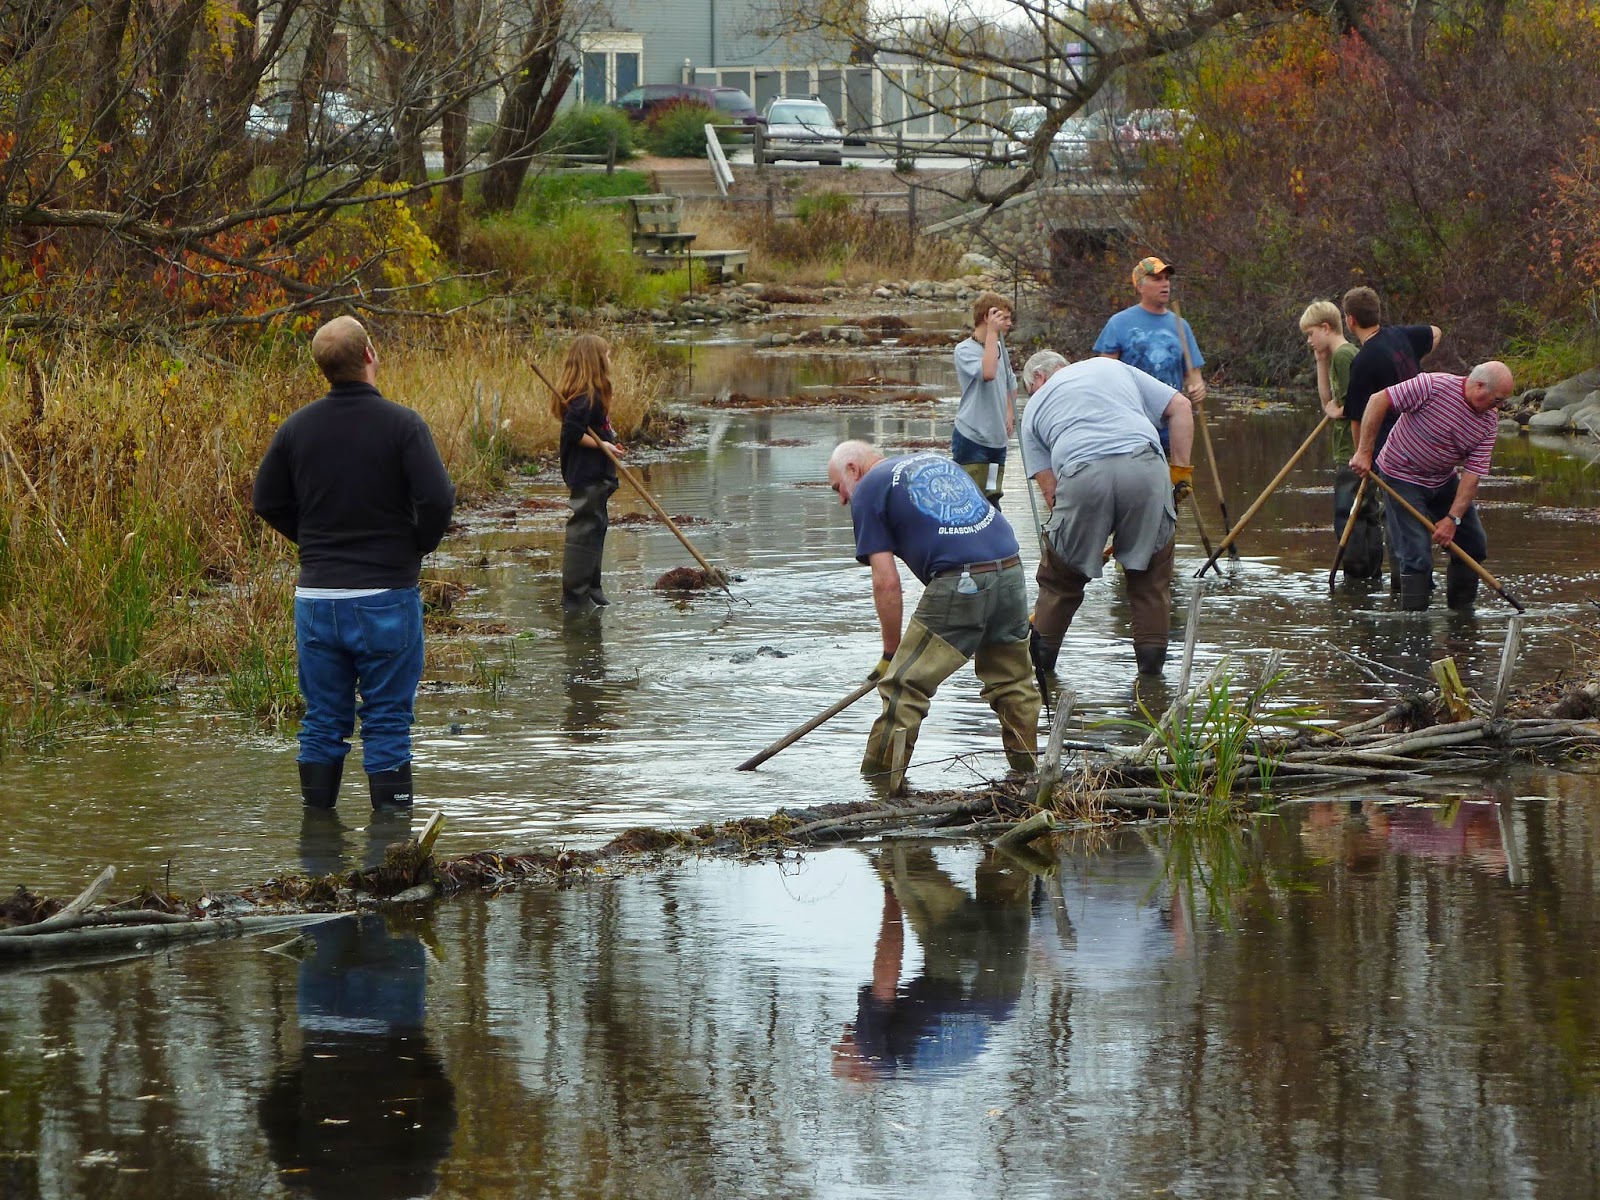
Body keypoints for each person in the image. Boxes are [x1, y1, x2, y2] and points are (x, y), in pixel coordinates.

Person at [253, 316, 456, 811]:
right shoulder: (403, 424)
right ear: (369, 355)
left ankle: (318, 849)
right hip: (385, 595)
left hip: (317, 599)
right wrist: (415, 549)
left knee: (323, 719)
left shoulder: (297, 427)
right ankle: (391, 848)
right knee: (387, 719)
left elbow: (265, 499)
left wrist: (311, 543)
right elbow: (438, 499)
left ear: (323, 369)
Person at [827, 441, 1040, 782]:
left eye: (837, 487)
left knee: (904, 686)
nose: (841, 499)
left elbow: (886, 583)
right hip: (1011, 568)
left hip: (964, 578)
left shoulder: (867, 488)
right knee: (1013, 682)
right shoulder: (931, 461)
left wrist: (890, 654)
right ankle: (1029, 776)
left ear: (853, 469)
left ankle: (878, 788)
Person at [1019, 351, 1194, 676]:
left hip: (1081, 472)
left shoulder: (1033, 409)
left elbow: (1052, 493)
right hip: (1145, 467)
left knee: (1060, 582)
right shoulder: (1111, 367)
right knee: (1150, 581)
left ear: (1039, 379)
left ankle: (1040, 682)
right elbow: (1181, 407)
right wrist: (1180, 472)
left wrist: (1075, 556)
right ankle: (1152, 690)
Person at [1349, 361, 1514, 610]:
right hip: (1399, 476)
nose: (1499, 407)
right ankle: (1415, 625)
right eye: (1497, 399)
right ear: (1479, 386)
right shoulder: (1432, 386)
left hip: (1442, 479)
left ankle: (1461, 617)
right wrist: (1364, 452)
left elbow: (1473, 474)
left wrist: (1453, 519)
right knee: (1417, 557)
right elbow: (1378, 400)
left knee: (1473, 544)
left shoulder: (1489, 422)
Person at [1299, 299, 1382, 580]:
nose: (1309, 341)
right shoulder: (1334, 357)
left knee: (1350, 515)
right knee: (1364, 512)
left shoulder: (1346, 356)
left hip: (1354, 449)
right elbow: (1328, 402)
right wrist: (1320, 362)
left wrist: (1341, 410)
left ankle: (1357, 577)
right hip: (1350, 450)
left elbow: (1359, 403)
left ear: (1326, 327)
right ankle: (1369, 574)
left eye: (1311, 334)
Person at [554, 334, 626, 614]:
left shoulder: (593, 393)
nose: (610, 359)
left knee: (597, 526)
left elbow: (595, 429)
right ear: (595, 360)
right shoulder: (585, 396)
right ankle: (575, 598)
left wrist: (610, 441)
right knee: (584, 529)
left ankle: (592, 588)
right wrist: (603, 445)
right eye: (607, 354)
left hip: (598, 472)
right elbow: (572, 433)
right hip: (587, 473)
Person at [1094, 256, 1205, 421]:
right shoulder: (1118, 323)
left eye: (1167, 279)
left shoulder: (1181, 326)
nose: (1165, 284)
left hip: (1170, 423)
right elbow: (1104, 375)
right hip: (1131, 422)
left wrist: (1198, 389)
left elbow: (1193, 375)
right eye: (1157, 279)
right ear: (1140, 286)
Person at [951, 291, 1017, 504]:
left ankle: (994, 536)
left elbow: (1009, 382)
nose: (1009, 323)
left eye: (1008, 318)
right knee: (971, 499)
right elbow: (988, 373)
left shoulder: (999, 347)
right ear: (987, 317)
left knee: (992, 496)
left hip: (996, 441)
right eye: (1003, 318)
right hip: (972, 438)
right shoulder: (964, 350)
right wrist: (992, 334)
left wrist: (1009, 411)